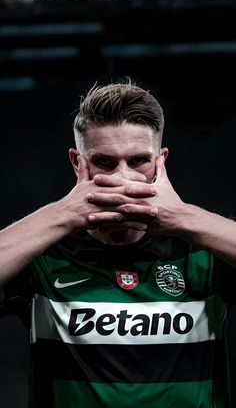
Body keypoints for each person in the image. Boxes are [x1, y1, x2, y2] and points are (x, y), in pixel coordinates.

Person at [0, 78, 236, 408]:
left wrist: (183, 218)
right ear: (77, 162)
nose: (123, 178)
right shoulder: (43, 254)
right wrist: (63, 214)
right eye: (105, 162)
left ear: (160, 161)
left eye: (138, 160)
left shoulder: (202, 251)